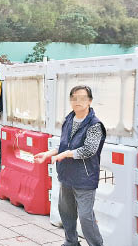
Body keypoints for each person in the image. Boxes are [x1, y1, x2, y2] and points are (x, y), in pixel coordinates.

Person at [34, 85, 106, 246]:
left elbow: (89, 150)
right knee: (66, 212)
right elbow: (64, 146)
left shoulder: (95, 124)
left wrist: (64, 155)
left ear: (90, 101)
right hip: (66, 175)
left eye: (82, 98)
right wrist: (48, 153)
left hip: (85, 178)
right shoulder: (68, 119)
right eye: (74, 98)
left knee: (86, 218)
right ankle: (71, 242)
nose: (77, 101)